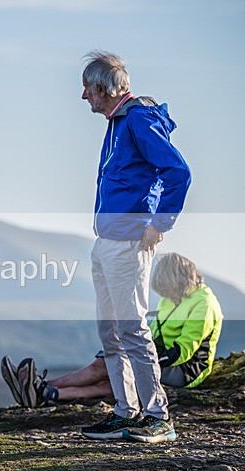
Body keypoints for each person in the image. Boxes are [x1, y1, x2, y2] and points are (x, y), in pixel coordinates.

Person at [73, 51, 191, 442]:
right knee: (111, 332)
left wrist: (160, 223)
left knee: (132, 329)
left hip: (128, 242)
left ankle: (158, 416)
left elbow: (178, 171)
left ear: (103, 89)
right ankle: (127, 411)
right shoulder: (119, 122)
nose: (84, 97)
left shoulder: (138, 119)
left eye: (87, 89)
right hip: (106, 241)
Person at [2, 253, 223, 410]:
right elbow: (154, 332)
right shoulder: (172, 298)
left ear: (180, 281)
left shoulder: (204, 304)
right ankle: (43, 391)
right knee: (109, 366)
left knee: (117, 373)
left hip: (186, 369)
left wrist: (141, 361)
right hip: (162, 358)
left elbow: (182, 351)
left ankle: (40, 390)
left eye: (168, 289)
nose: (166, 295)